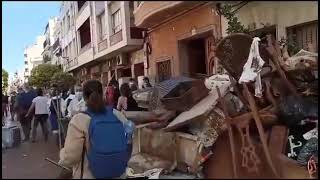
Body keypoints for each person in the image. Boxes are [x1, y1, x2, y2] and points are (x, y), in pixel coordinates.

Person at [59, 80, 132, 178]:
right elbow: (128, 142)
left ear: (84, 97)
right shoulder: (117, 115)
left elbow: (71, 158)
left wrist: (62, 153)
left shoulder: (79, 120)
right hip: (118, 174)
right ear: (102, 94)